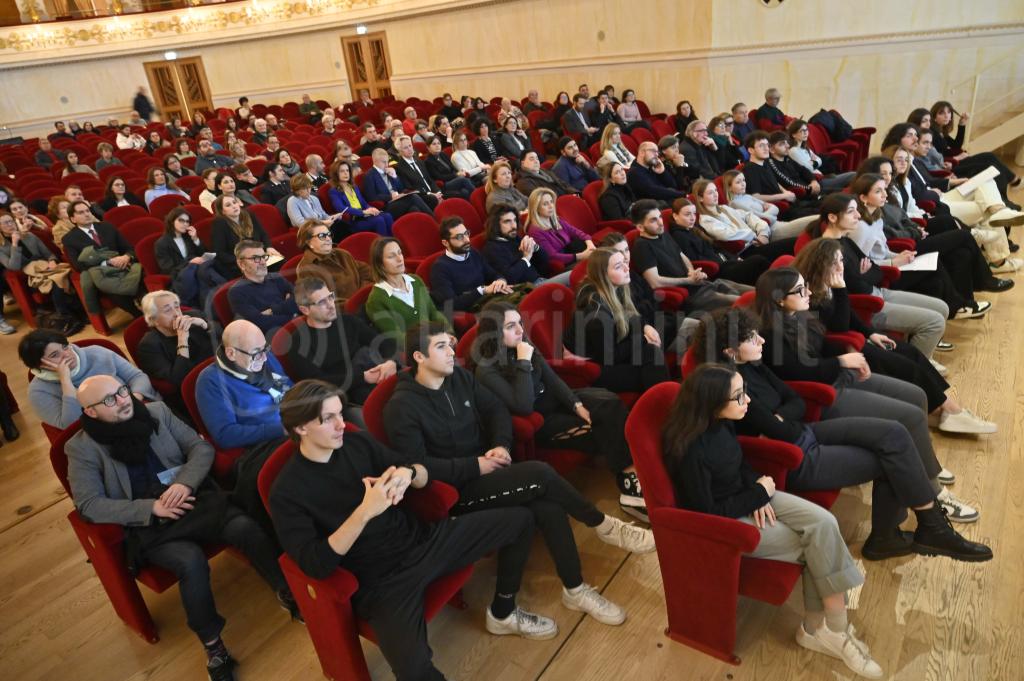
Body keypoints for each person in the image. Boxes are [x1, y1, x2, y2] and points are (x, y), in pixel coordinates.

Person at [272, 380, 552, 681]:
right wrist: (365, 512)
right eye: (328, 419)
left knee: (521, 521)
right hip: (381, 582)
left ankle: (503, 611)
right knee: (415, 672)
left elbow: (409, 466)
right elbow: (316, 564)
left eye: (341, 413)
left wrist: (408, 473)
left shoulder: (356, 443)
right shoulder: (287, 492)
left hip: (423, 541)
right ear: (301, 428)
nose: (342, 424)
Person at [386, 324, 653, 626]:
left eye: (451, 344)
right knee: (540, 473)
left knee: (549, 508)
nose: (452, 352)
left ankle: (575, 590)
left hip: (487, 471)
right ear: (420, 356)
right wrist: (475, 465)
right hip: (455, 491)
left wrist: (501, 444)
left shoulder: (458, 377)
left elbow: (496, 410)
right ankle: (603, 525)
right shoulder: (402, 407)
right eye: (441, 347)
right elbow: (419, 468)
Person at [691, 308, 993, 560]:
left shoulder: (752, 364)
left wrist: (782, 414)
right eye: (751, 338)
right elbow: (774, 426)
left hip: (804, 432)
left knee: (895, 434)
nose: (760, 340)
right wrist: (779, 416)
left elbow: (792, 399)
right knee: (893, 456)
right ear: (729, 351)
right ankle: (915, 531)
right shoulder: (728, 386)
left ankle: (921, 528)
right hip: (793, 457)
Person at [66, 374, 296, 681]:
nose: (122, 400)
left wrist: (185, 483)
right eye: (109, 399)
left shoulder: (157, 412)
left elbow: (200, 449)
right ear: (90, 412)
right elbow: (89, 504)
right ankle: (214, 647)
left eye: (122, 391)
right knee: (190, 562)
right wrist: (152, 508)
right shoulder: (81, 448)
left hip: (193, 500)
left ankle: (287, 591)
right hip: (152, 523)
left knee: (244, 527)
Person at [662, 364, 884, 678]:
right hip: (727, 522)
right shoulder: (688, 449)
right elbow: (707, 511)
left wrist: (760, 489)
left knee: (824, 523)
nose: (747, 401)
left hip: (751, 496)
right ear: (712, 404)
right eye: (738, 397)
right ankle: (830, 630)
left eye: (744, 392)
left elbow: (738, 464)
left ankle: (822, 630)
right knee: (815, 545)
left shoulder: (723, 421)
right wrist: (756, 494)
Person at [754, 267, 986, 520]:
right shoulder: (769, 335)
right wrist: (843, 360)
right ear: (778, 298)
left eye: (806, 286)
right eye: (800, 290)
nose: (809, 292)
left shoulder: (799, 313)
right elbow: (800, 372)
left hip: (838, 378)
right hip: (822, 395)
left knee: (917, 395)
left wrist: (849, 348)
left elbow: (821, 344)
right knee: (910, 416)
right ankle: (935, 493)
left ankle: (922, 464)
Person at [793, 237, 997, 433]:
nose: (841, 266)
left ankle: (946, 408)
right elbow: (840, 326)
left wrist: (871, 333)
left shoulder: (829, 281)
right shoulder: (811, 294)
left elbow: (852, 318)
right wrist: (841, 290)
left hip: (855, 338)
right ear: (821, 264)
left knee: (911, 353)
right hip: (840, 347)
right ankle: (951, 411)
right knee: (905, 366)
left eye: (841, 260)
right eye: (836, 261)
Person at [472, 302, 647, 519]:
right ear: (494, 332)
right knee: (605, 426)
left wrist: (577, 405)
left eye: (519, 323)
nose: (520, 330)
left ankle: (634, 472)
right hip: (543, 420)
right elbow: (524, 405)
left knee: (609, 402)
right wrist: (524, 361)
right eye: (510, 326)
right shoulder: (486, 370)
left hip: (556, 401)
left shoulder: (523, 345)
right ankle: (631, 481)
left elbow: (553, 380)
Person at [810, 193, 950, 362]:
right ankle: (923, 362)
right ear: (832, 217)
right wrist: (864, 275)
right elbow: (851, 287)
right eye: (851, 212)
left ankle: (925, 357)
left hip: (878, 291)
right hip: (868, 305)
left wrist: (864, 275)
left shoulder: (846, 241)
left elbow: (875, 272)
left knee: (942, 307)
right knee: (935, 322)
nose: (859, 215)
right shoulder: (827, 252)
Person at [283, 277, 397, 427]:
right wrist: (363, 378)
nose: (331, 305)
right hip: (345, 398)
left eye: (330, 297)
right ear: (305, 309)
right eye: (322, 302)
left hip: (377, 376)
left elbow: (384, 343)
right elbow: (319, 383)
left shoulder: (348, 321)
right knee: (391, 417)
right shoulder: (299, 343)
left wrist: (390, 362)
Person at [565, 247, 671, 393]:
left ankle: (665, 397)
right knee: (651, 357)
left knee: (653, 348)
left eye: (624, 263)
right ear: (604, 275)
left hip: (610, 346)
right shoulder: (596, 314)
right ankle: (663, 401)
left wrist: (645, 327)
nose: (627, 268)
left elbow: (629, 316)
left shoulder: (613, 289)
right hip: (594, 367)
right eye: (618, 266)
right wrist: (644, 339)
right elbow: (610, 357)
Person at [20, 329, 159, 429]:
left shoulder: (96, 352)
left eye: (65, 347)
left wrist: (133, 400)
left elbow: (137, 377)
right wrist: (65, 381)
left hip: (134, 408)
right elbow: (70, 425)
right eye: (55, 355)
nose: (67, 355)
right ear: (40, 364)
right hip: (102, 433)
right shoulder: (38, 391)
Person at [629, 199, 748, 312]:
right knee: (747, 302)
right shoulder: (642, 247)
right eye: (653, 220)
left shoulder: (662, 233)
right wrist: (688, 280)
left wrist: (692, 272)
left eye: (660, 217)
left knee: (753, 293)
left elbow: (682, 255)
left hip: (702, 284)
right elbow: (655, 282)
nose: (660, 222)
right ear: (640, 227)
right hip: (690, 295)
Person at [0, 211, 84, 334]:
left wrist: (52, 261)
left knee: (64, 276)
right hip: (31, 278)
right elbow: (13, 266)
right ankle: (69, 316)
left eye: (11, 221)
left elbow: (48, 254)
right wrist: (14, 244)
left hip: (47, 268)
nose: (10, 224)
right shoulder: (1, 247)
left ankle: (72, 315)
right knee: (56, 281)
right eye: (5, 223)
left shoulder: (29, 236)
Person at [62, 200, 143, 317]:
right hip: (105, 275)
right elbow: (78, 265)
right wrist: (107, 262)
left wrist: (126, 257)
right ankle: (140, 318)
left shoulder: (107, 227)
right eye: (81, 212)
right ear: (73, 219)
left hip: (125, 266)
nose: (86, 214)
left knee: (145, 278)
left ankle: (153, 313)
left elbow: (129, 248)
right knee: (115, 292)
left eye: (87, 211)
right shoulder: (69, 238)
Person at [136, 290, 214, 413]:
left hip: (219, 373)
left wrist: (206, 326)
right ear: (154, 320)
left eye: (177, 307)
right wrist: (182, 340)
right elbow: (179, 379)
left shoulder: (194, 316)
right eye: (167, 310)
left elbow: (226, 342)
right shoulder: (149, 346)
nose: (177, 314)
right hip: (196, 391)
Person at [693, 178, 804, 261]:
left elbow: (749, 216)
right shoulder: (706, 220)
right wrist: (754, 235)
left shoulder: (724, 208)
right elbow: (727, 234)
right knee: (795, 243)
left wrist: (763, 233)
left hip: (759, 239)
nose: (716, 194)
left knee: (800, 239)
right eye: (710, 193)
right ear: (700, 198)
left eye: (716, 191)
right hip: (747, 251)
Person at [364, 237, 449, 344]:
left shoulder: (415, 280)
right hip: (417, 352)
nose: (399, 259)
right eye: (391, 256)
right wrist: (431, 346)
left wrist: (448, 332)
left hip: (437, 341)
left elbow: (433, 312)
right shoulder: (376, 300)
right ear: (380, 264)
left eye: (400, 253)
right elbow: (397, 338)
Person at [668, 197, 769, 286]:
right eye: (687, 214)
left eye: (694, 214)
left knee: (757, 263)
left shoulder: (694, 229)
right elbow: (695, 260)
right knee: (758, 261)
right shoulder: (679, 236)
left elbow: (716, 247)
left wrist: (735, 258)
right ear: (675, 216)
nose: (692, 218)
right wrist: (724, 263)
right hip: (718, 271)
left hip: (726, 263)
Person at [430, 216, 513, 312]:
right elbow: (450, 304)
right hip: (474, 311)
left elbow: (492, 274)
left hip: (490, 300)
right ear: (445, 243)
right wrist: (482, 290)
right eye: (459, 237)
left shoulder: (472, 253)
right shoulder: (440, 268)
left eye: (466, 234)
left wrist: (500, 280)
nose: (467, 240)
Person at [481, 203, 569, 286]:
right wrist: (526, 258)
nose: (513, 226)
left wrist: (536, 248)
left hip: (541, 280)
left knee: (576, 276)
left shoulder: (514, 238)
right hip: (527, 290)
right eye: (507, 221)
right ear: (495, 225)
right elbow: (509, 279)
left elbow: (545, 263)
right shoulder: (492, 250)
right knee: (572, 277)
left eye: (514, 220)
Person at [742, 132, 819, 219]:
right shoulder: (751, 169)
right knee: (824, 211)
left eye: (767, 145)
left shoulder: (765, 163)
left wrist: (785, 191)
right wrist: (783, 196)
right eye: (761, 146)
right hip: (781, 210)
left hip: (791, 203)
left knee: (825, 203)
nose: (766, 148)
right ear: (751, 150)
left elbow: (775, 182)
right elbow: (755, 197)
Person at [294, 218, 372, 305]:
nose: (328, 239)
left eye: (329, 234)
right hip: (345, 312)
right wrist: (355, 303)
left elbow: (367, 273)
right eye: (322, 236)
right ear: (309, 242)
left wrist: (365, 294)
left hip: (367, 301)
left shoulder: (342, 254)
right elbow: (325, 303)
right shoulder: (306, 269)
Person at [227, 240, 298, 335]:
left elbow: (300, 299)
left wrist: (273, 310)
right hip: (276, 335)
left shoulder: (277, 277)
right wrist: (291, 312)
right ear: (241, 264)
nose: (263, 262)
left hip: (296, 325)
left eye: (264, 257)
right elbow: (260, 323)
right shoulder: (236, 292)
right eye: (256, 258)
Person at [210, 196, 277, 281]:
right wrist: (244, 260)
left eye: (234, 202)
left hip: (259, 256)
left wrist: (269, 247)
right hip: (238, 263)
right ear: (222, 211)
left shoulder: (249, 214)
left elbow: (263, 234)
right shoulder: (219, 224)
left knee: (279, 262)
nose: (234, 206)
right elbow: (221, 253)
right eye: (228, 205)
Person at [525, 187, 595, 269]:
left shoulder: (557, 220)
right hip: (563, 264)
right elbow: (552, 256)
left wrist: (590, 244)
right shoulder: (535, 231)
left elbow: (576, 232)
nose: (551, 206)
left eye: (551, 202)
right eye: (545, 204)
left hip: (574, 254)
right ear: (536, 208)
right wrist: (581, 256)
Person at [362, 148, 435, 218]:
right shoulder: (369, 175)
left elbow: (401, 188)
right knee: (413, 197)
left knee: (414, 209)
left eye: (387, 161)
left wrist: (395, 177)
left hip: (398, 201)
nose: (387, 164)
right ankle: (434, 219)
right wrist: (391, 196)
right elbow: (371, 197)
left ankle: (428, 226)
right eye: (384, 162)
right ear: (375, 161)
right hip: (386, 205)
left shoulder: (389, 170)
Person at [325, 160, 392, 236]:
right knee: (379, 220)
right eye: (342, 171)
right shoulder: (334, 191)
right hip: (353, 220)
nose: (346, 173)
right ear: (336, 174)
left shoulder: (354, 187)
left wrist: (371, 209)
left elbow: (363, 203)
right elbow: (341, 208)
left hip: (364, 215)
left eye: (347, 170)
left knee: (387, 216)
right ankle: (384, 244)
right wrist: (363, 212)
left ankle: (392, 242)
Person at [787, 119, 854, 187]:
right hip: (817, 182)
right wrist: (814, 162)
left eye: (806, 130)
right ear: (793, 135)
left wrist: (812, 162)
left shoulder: (805, 148)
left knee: (853, 176)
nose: (805, 133)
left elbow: (820, 160)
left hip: (822, 177)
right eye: (802, 131)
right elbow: (808, 168)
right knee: (853, 175)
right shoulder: (793, 151)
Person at [393, 135, 453, 206]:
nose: (409, 149)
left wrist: (438, 192)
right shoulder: (400, 168)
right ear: (400, 151)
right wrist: (431, 194)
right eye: (406, 147)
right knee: (437, 200)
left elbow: (429, 179)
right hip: (422, 196)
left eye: (410, 145)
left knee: (457, 195)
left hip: (434, 192)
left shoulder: (419, 161)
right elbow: (410, 189)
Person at [285, 174, 345, 238]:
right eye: (305, 189)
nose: (309, 191)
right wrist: (323, 222)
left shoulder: (313, 198)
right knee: (339, 229)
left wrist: (332, 217)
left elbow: (323, 215)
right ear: (297, 190)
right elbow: (300, 223)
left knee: (342, 225)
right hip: (308, 230)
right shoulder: (292, 201)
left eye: (309, 187)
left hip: (321, 226)